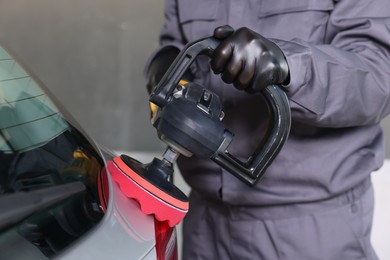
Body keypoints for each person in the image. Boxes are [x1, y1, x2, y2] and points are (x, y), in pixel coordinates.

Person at [144, 1, 390, 259]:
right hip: (203, 222)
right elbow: (174, 40)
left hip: (307, 228)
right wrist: (166, 63)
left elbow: (378, 75)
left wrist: (289, 66)